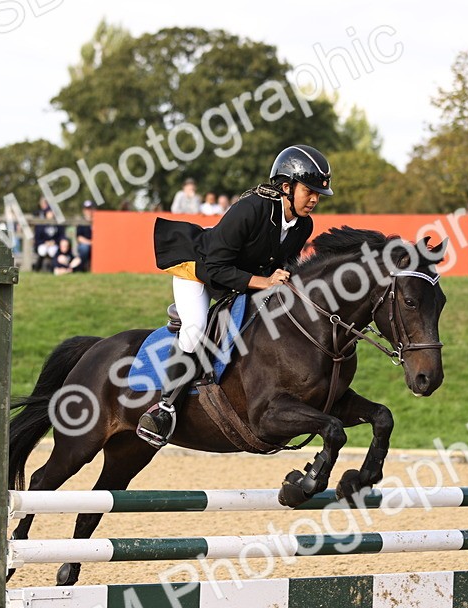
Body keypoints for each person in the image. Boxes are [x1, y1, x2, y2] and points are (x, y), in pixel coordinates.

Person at [136, 144, 333, 447]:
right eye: (310, 191)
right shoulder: (251, 208)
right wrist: (264, 281)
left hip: (240, 278)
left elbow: (282, 266)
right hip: (200, 269)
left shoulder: (303, 224)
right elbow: (215, 267)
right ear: (286, 186)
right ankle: (164, 408)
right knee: (195, 327)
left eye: (318, 194)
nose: (315, 200)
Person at [73, 200, 94, 272]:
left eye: (90, 209)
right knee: (84, 248)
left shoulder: (98, 221)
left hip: (97, 244)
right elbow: (79, 238)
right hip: (85, 245)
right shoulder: (81, 222)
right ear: (84, 210)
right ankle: (82, 267)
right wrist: (91, 242)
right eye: (87, 209)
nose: (88, 211)